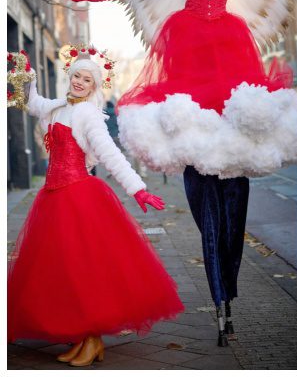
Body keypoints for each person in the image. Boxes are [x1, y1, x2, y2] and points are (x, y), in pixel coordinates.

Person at [64, 0, 297, 345]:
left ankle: (227, 293)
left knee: (235, 146)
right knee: (198, 145)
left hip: (231, 45)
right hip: (190, 42)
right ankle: (217, 293)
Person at [8, 54, 183, 366]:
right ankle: (84, 338)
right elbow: (34, 104)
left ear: (93, 86)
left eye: (87, 80)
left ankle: (92, 339)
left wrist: (138, 188)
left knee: (84, 270)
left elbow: (110, 154)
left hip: (78, 198)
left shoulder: (88, 115)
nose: (79, 82)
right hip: (53, 198)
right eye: (76, 76)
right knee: (65, 271)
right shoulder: (58, 107)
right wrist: (28, 76)